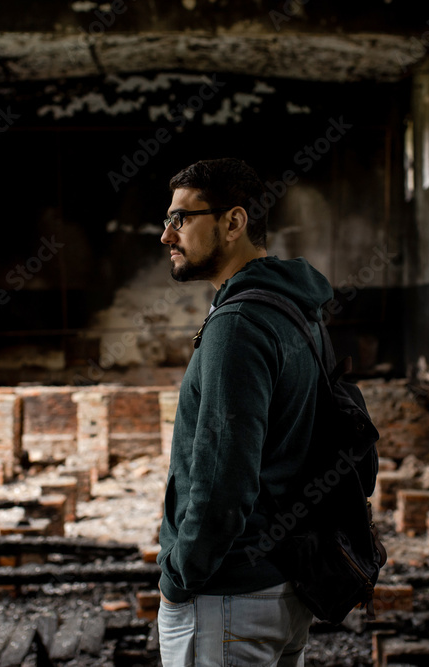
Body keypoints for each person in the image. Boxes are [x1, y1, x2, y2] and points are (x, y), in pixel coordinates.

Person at [156, 158, 334, 666]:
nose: (167, 236)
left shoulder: (237, 325)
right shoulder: (295, 309)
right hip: (284, 583)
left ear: (233, 223)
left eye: (181, 219)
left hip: (227, 597)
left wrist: (177, 579)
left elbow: (221, 484)